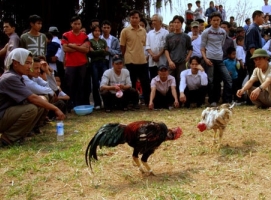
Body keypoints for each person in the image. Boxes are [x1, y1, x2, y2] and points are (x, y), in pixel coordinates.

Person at [0, 48, 65, 146]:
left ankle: (22, 134)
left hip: (6, 114)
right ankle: (8, 138)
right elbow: (32, 98)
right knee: (31, 108)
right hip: (2, 115)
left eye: (30, 63)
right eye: (27, 63)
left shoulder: (17, 77)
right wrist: (55, 108)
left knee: (39, 104)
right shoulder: (10, 78)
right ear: (15, 63)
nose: (29, 66)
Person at [120, 10, 150, 108]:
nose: (134, 19)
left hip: (142, 60)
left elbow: (145, 45)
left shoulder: (143, 30)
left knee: (145, 82)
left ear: (139, 19)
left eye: (136, 17)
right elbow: (122, 46)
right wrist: (124, 58)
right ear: (130, 19)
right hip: (130, 60)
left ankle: (147, 101)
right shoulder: (125, 31)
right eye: (132, 17)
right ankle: (133, 103)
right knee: (131, 83)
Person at [201, 12, 232, 106]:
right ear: (210, 21)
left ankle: (227, 100)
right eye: (214, 20)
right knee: (210, 80)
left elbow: (221, 44)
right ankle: (212, 100)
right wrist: (206, 59)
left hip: (219, 59)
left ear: (220, 20)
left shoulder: (223, 32)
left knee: (227, 79)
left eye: (217, 20)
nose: (216, 22)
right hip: (209, 58)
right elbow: (202, 48)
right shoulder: (206, 32)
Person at [61, 16, 90, 108]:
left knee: (81, 84)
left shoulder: (84, 36)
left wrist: (72, 45)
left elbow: (86, 50)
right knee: (69, 84)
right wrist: (80, 47)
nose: (77, 26)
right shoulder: (66, 35)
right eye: (75, 24)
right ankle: (69, 104)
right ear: (71, 24)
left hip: (82, 63)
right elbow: (65, 48)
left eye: (79, 24)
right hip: (70, 64)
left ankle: (79, 104)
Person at [164, 15, 193, 98]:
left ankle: (181, 98)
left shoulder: (186, 37)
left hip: (182, 63)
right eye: (175, 22)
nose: (176, 24)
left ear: (181, 24)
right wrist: (169, 61)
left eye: (178, 22)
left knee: (181, 81)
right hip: (171, 62)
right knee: (170, 81)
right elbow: (166, 49)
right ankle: (172, 100)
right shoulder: (169, 36)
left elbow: (190, 48)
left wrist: (187, 58)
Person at [89, 25, 109, 110]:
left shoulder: (103, 41)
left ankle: (107, 102)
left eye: (98, 31)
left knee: (104, 82)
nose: (97, 32)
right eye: (95, 31)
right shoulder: (90, 41)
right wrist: (101, 51)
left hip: (103, 62)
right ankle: (97, 103)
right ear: (93, 32)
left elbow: (106, 52)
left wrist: (97, 51)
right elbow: (90, 53)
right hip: (94, 63)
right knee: (95, 83)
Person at [146, 14, 169, 80]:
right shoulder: (149, 33)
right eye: (152, 20)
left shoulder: (165, 32)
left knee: (163, 78)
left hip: (162, 60)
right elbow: (147, 46)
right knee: (153, 79)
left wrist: (158, 56)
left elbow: (165, 46)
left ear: (160, 22)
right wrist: (153, 55)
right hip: (152, 61)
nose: (153, 22)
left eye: (155, 20)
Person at [245, 10, 264, 79]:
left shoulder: (256, 29)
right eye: (262, 17)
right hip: (253, 58)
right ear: (257, 17)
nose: (263, 19)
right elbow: (251, 47)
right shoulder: (252, 29)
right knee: (253, 81)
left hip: (256, 57)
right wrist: (256, 61)